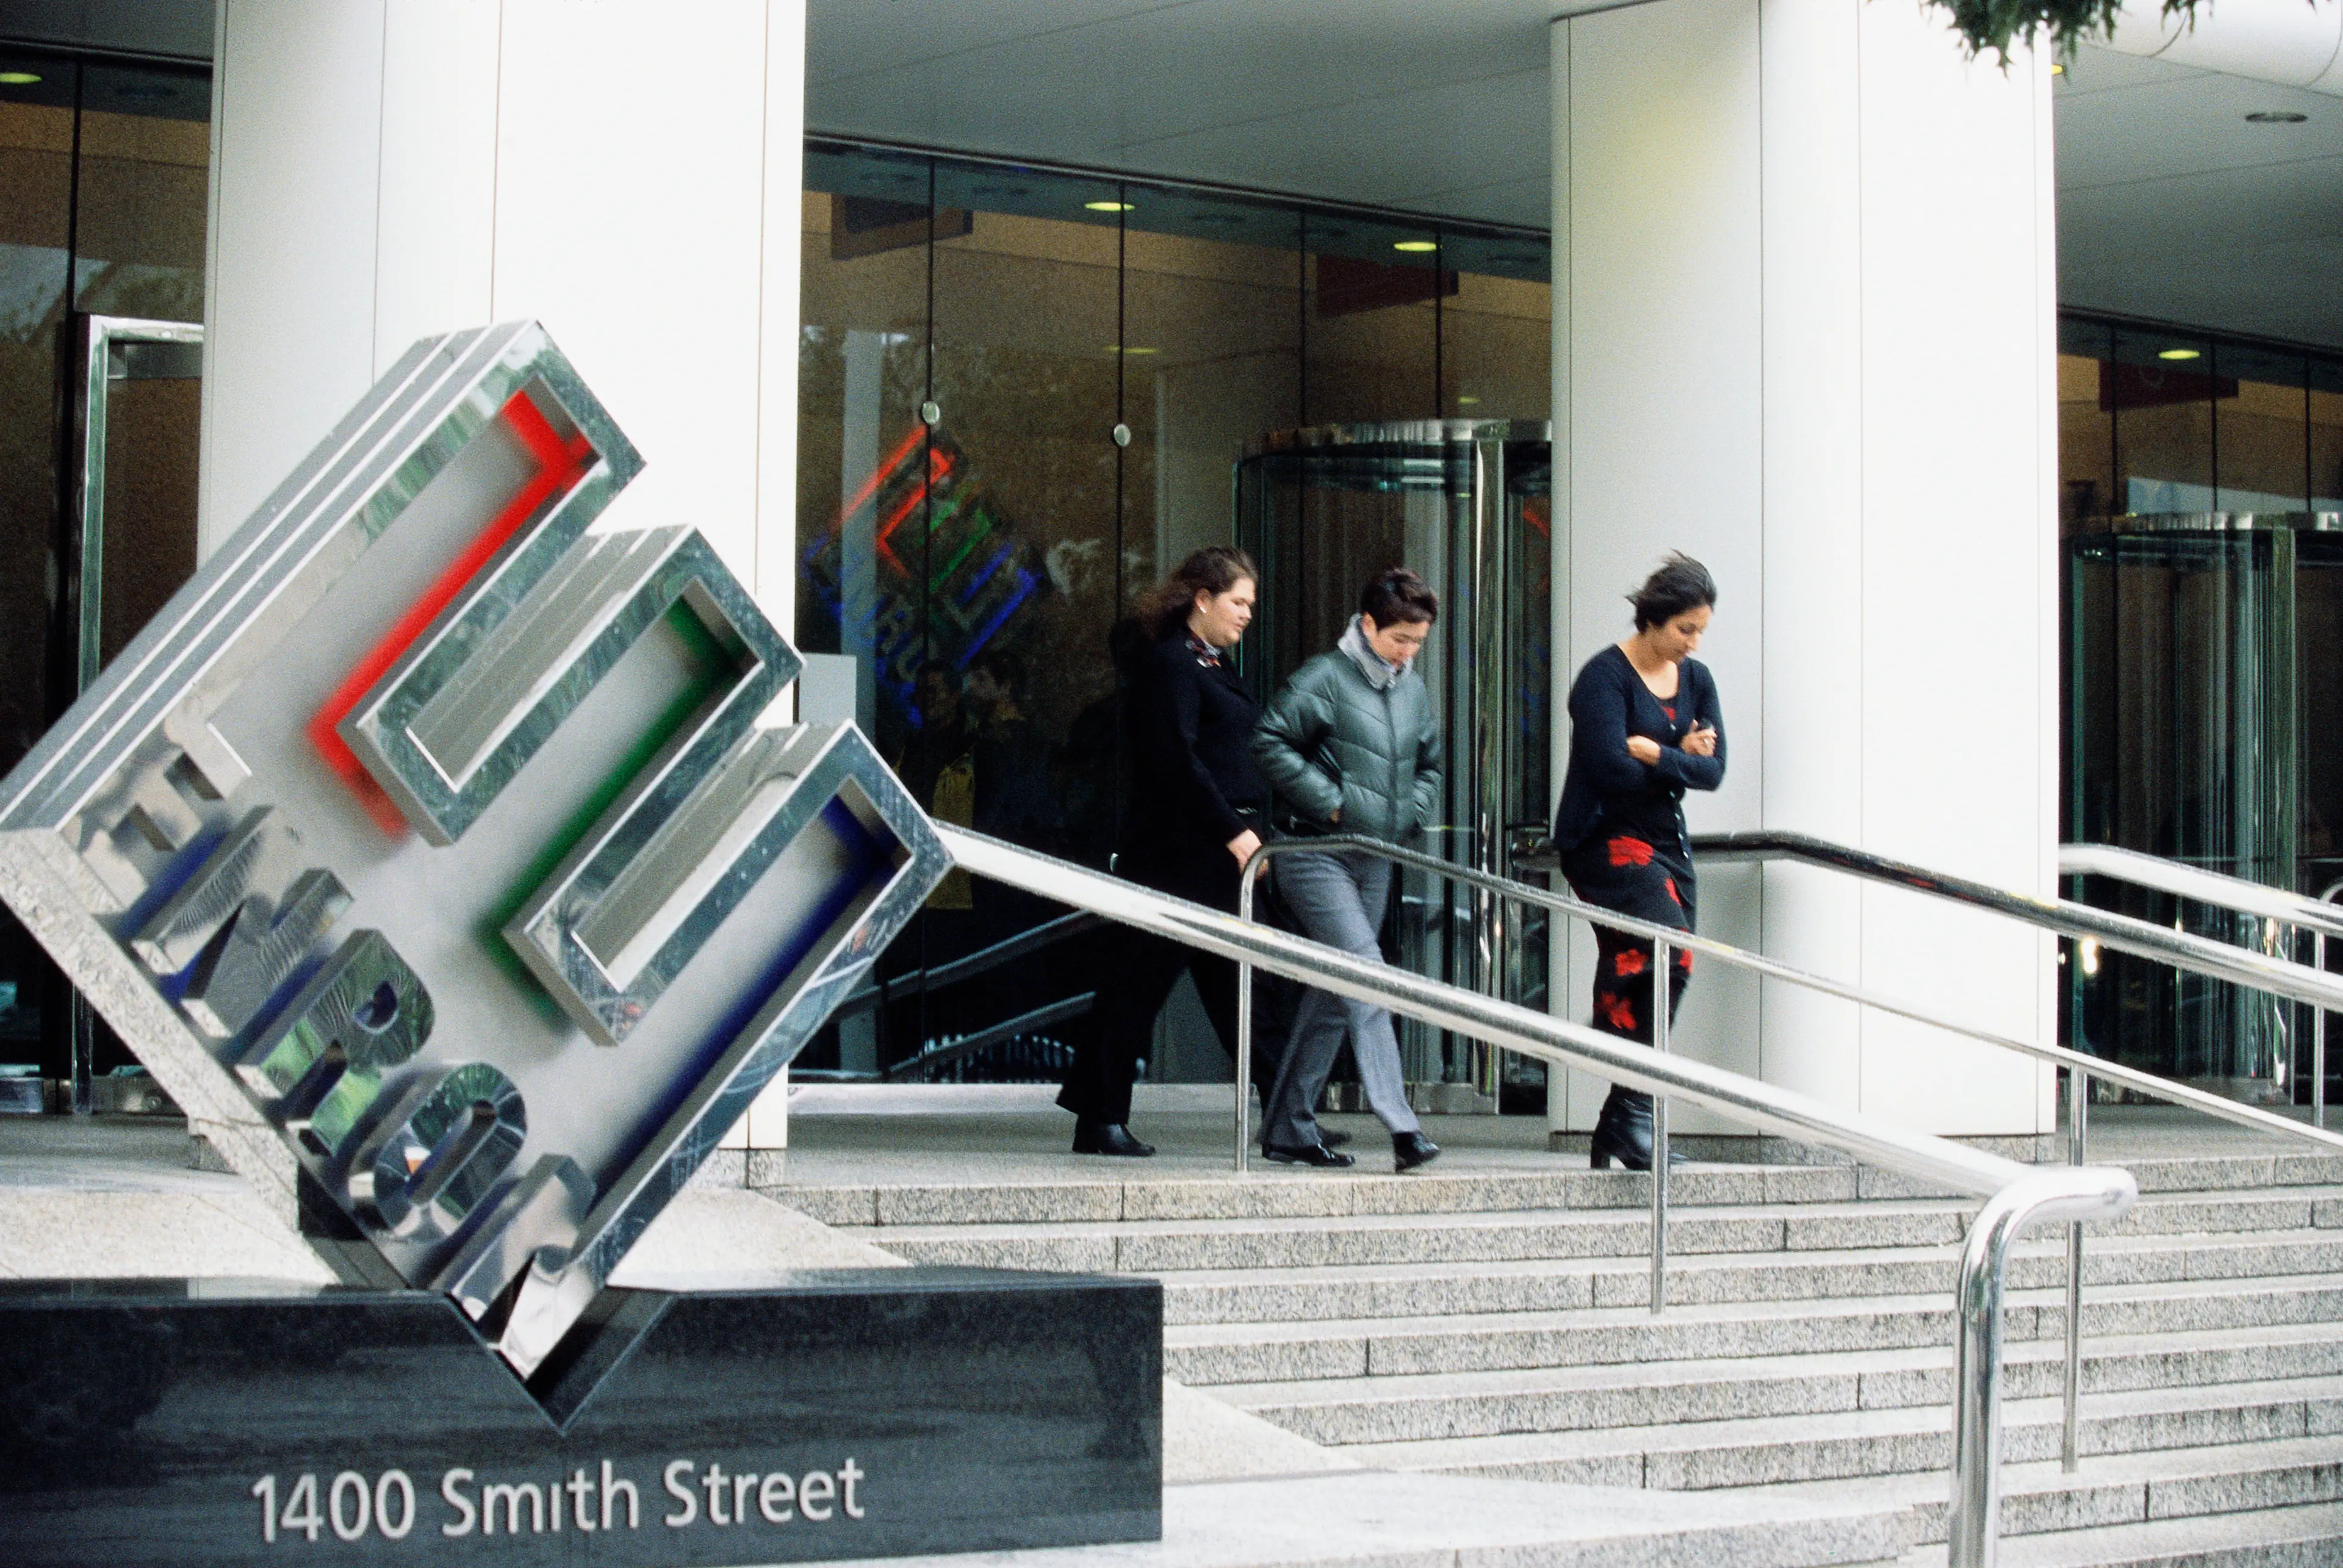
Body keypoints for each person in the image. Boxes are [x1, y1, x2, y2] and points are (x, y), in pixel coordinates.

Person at [1056, 546, 1276, 1156]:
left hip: (1210, 853)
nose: (1247, 613)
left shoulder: (1207, 661)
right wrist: (1233, 829)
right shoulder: (1173, 663)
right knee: (1140, 985)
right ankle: (1100, 1116)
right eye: (1238, 601)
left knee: (1241, 987)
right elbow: (1178, 760)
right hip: (1179, 855)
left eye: (1251, 603)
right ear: (1202, 600)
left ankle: (1287, 1110)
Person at [1251, 568, 1445, 1174]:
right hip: (1314, 852)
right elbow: (1269, 739)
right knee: (1365, 973)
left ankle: (1288, 1129)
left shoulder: (1412, 690)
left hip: (1375, 857)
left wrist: (1409, 812)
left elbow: (1430, 765)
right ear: (1368, 625)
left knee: (1338, 992)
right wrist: (1333, 803)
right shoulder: (1325, 677)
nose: (1409, 652)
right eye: (1400, 639)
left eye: (1418, 641)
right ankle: (1403, 1126)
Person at [1551, 553, 1724, 1171]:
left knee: (1653, 964)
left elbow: (1714, 770)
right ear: (1653, 618)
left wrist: (1657, 751)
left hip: (1667, 842)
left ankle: (1621, 1122)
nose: (1693, 642)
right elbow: (1610, 770)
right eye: (1684, 628)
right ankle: (1631, 1108)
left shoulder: (1697, 680)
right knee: (1666, 950)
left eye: (1700, 630)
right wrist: (1679, 754)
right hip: (1603, 839)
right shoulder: (1603, 678)